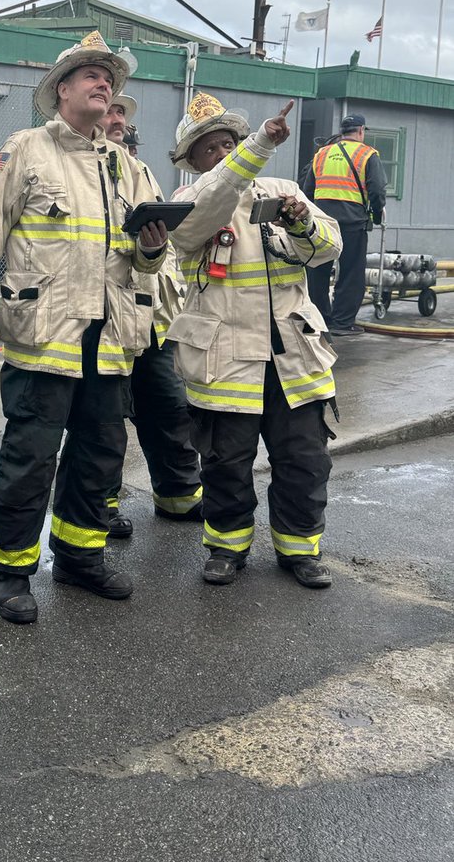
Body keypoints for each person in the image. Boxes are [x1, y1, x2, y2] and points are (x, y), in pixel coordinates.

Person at [0, 30, 168, 625]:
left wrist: (151, 249)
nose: (105, 84)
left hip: (111, 338)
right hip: (45, 332)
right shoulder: (26, 148)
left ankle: (79, 556)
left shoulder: (127, 165)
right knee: (31, 456)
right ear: (62, 91)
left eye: (110, 78)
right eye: (91, 76)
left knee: (100, 455)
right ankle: (12, 571)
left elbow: (151, 257)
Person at [166, 93, 341, 589]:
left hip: (293, 357)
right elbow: (202, 217)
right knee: (225, 463)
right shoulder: (186, 202)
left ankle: (300, 550)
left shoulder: (284, 189)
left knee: (304, 461)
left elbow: (328, 248)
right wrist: (257, 148)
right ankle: (226, 548)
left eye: (228, 143)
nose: (221, 153)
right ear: (192, 161)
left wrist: (301, 223)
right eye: (209, 149)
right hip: (223, 359)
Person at [98, 94, 202, 536]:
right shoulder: (74, 169)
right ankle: (99, 506)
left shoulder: (139, 174)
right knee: (104, 422)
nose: (119, 120)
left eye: (124, 115)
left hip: (154, 319)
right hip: (107, 321)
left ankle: (179, 496)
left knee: (171, 410)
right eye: (112, 111)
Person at [302, 113, 387, 337]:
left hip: (321, 223)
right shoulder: (368, 154)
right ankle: (341, 323)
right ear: (361, 131)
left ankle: (320, 318)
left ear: (342, 132)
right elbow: (377, 190)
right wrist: (377, 215)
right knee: (350, 273)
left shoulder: (322, 153)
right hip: (352, 223)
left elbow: (307, 190)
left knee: (318, 271)